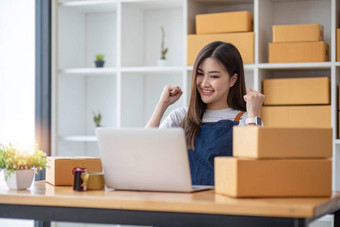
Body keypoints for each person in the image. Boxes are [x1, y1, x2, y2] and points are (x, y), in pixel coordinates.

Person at [146, 41, 265, 185]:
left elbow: (255, 170)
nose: (204, 83)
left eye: (214, 76)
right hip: (184, 203)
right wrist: (162, 104)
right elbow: (145, 152)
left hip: (222, 204)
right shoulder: (181, 117)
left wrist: (253, 114)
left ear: (233, 80)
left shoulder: (246, 120)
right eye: (200, 74)